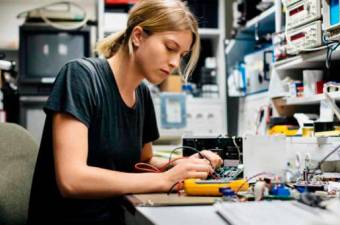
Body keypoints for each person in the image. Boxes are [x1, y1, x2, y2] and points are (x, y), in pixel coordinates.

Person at [27, 0, 223, 224]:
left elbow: (143, 161)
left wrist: (183, 164)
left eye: (181, 55)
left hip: (118, 216)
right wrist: (166, 180)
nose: (174, 63)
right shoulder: (80, 76)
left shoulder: (142, 93)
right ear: (138, 36)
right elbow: (72, 180)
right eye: (170, 48)